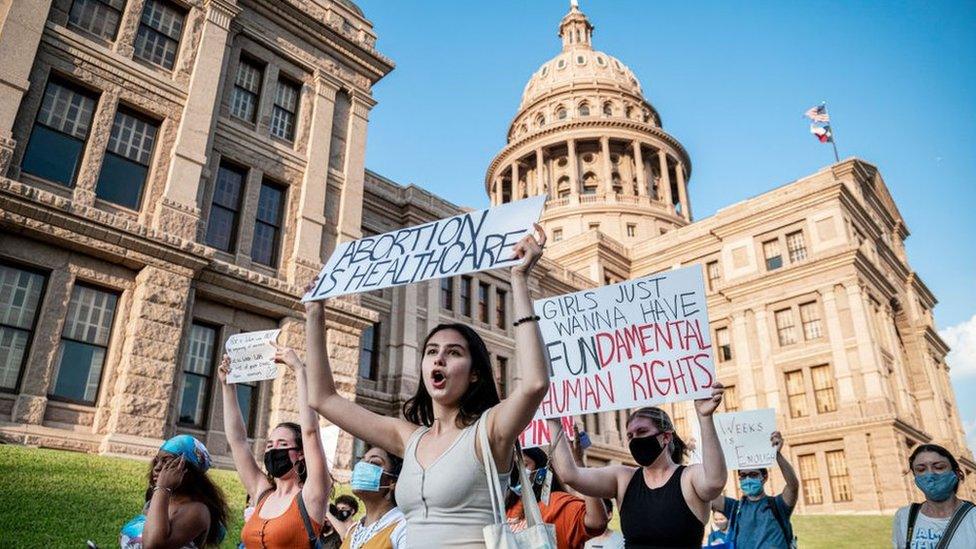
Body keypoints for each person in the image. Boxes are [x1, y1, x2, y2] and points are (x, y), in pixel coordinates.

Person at [305, 224, 550, 547]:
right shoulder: (409, 438)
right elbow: (323, 398)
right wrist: (314, 314)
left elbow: (534, 383)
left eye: (454, 353)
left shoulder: (489, 432)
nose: (439, 359)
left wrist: (519, 280)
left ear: (474, 373)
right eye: (432, 352)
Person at [547, 394, 727, 549]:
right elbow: (570, 475)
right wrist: (554, 421)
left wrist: (705, 418)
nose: (635, 440)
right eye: (630, 436)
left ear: (665, 437)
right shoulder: (623, 478)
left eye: (642, 432)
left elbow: (715, 482)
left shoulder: (689, 477)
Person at [218, 344, 333, 548]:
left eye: (282, 444)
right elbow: (238, 441)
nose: (273, 450)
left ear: (300, 454)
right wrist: (228, 387)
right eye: (270, 445)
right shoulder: (262, 493)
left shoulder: (311, 495)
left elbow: (310, 432)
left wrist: (299, 370)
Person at [120, 434, 229, 548]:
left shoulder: (197, 510)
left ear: (187, 470)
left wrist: (162, 488)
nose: (157, 467)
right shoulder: (158, 499)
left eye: (167, 462)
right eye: (157, 461)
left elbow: (153, 545)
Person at [504, 438, 608, 549]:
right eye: (513, 467)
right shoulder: (507, 507)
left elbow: (597, 522)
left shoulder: (557, 503)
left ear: (541, 470)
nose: (516, 472)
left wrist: (579, 465)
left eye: (524, 465)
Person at [709, 430, 798, 548]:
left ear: (764, 477)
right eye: (743, 476)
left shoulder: (778, 505)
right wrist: (696, 455)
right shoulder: (734, 508)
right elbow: (707, 494)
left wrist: (777, 455)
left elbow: (793, 486)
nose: (748, 479)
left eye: (753, 474)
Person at [892, 443, 975, 548]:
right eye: (921, 470)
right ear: (915, 478)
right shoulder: (904, 516)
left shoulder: (973, 517)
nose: (930, 474)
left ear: (957, 473)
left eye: (939, 467)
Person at [341, 446, 407, 549]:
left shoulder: (403, 528)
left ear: (392, 482)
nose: (362, 468)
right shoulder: (354, 530)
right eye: (362, 461)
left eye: (374, 463)